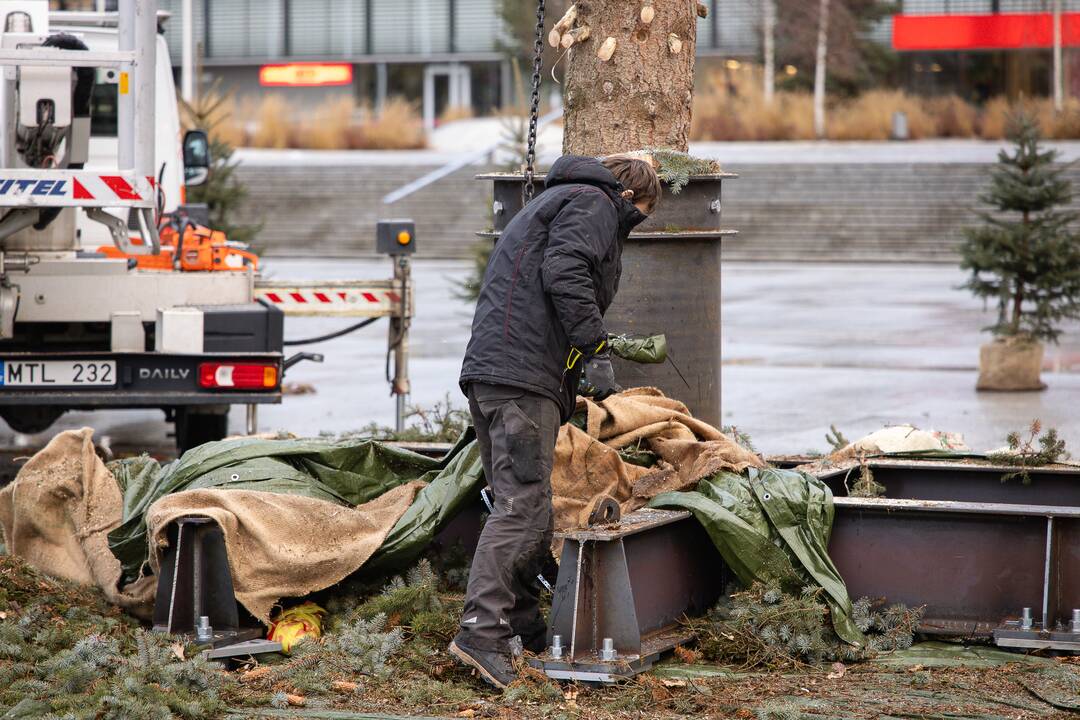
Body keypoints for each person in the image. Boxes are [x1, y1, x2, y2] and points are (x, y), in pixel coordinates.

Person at [449, 154, 662, 688]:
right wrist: (594, 350)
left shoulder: (555, 202)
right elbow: (565, 271)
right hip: (521, 378)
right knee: (523, 504)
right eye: (641, 214)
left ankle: (519, 620)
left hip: (497, 373)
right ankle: (479, 631)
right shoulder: (594, 202)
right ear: (631, 199)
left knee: (525, 502)